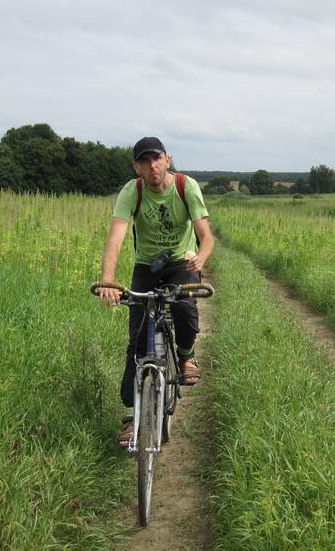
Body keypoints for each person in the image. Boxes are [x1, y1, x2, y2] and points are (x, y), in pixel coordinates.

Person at [98, 136, 214, 446]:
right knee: (136, 336)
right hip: (147, 267)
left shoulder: (185, 187)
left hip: (181, 262)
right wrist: (108, 280)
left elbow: (206, 236)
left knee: (184, 306)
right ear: (136, 167)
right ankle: (131, 416)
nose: (152, 166)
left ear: (167, 159)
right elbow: (116, 238)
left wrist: (200, 259)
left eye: (157, 158)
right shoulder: (131, 192)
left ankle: (187, 357)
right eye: (144, 161)